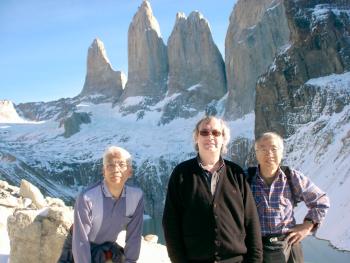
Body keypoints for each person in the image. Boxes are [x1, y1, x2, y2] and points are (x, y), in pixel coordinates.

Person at [162, 116, 263, 263]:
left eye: (216, 133)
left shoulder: (236, 173)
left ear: (223, 139)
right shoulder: (181, 173)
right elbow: (170, 222)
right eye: (204, 132)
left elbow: (251, 221)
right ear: (196, 137)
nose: (210, 136)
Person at [248, 132, 330, 263]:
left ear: (281, 152)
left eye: (274, 148)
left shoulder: (292, 177)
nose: (269, 153)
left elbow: (321, 200)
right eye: (263, 149)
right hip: (255, 247)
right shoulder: (245, 178)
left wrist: (308, 225)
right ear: (256, 153)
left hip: (289, 245)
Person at [69, 146, 144, 263]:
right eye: (110, 165)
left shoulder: (136, 197)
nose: (116, 169)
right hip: (77, 249)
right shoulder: (87, 197)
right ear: (103, 171)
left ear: (130, 172)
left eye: (121, 164)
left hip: (107, 248)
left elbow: (134, 237)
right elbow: (80, 241)